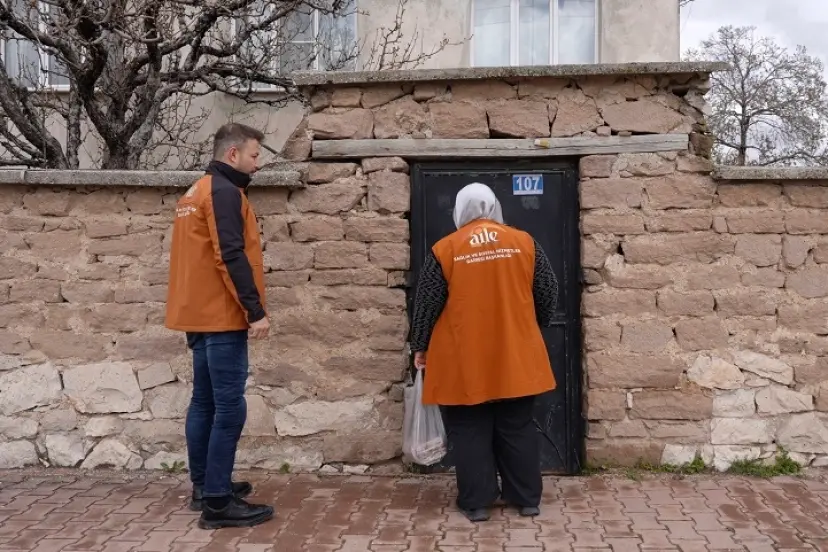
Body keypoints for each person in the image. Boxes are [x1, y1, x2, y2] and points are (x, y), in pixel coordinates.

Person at [410, 182, 558, 523]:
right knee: (517, 425)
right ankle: (527, 499)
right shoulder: (524, 242)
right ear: (493, 207)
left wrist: (420, 344)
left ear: (460, 209)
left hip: (465, 357)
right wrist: (531, 325)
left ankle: (476, 503)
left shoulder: (446, 248)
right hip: (515, 353)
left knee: (469, 428)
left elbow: (427, 304)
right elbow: (548, 291)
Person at [165, 123, 274, 530]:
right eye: (254, 155)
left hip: (198, 314)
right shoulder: (225, 193)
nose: (257, 164)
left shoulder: (195, 191)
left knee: (204, 403)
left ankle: (205, 486)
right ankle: (217, 502)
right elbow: (230, 253)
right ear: (233, 154)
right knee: (230, 408)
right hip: (221, 315)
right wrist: (254, 310)